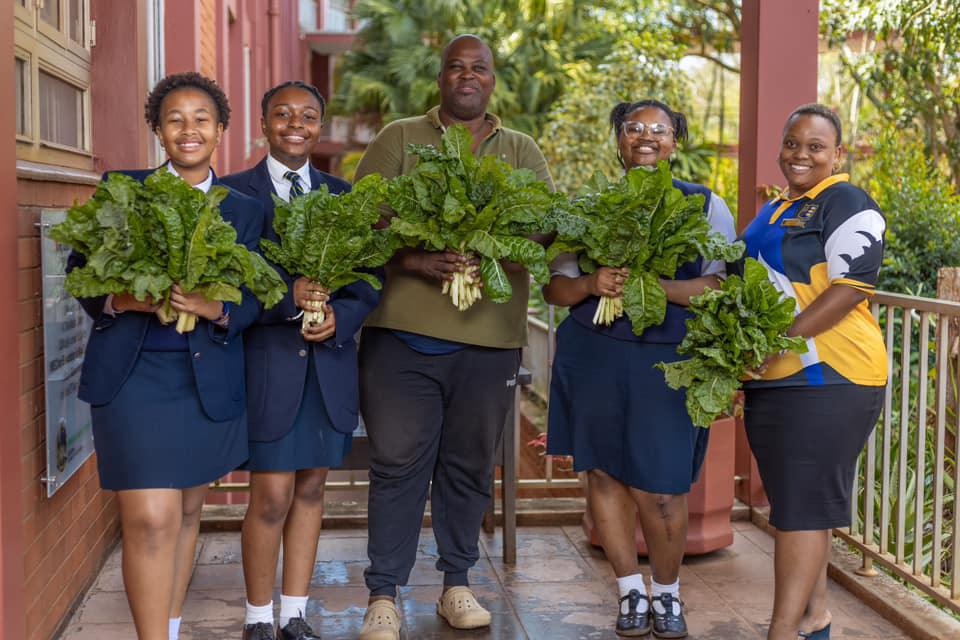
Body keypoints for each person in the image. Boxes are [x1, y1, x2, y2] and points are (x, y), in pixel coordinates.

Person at [351, 34, 554, 640]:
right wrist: (416, 260)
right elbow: (362, 218)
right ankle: (383, 595)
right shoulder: (401, 137)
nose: (467, 76)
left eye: (479, 68)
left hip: (489, 340)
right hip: (402, 339)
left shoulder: (519, 148)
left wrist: (486, 243)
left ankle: (456, 585)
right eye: (455, 67)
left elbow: (544, 226)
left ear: (493, 81)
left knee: (468, 467)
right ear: (440, 78)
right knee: (395, 465)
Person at [68, 72, 264, 640]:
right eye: (174, 118)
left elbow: (256, 298)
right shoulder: (122, 189)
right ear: (157, 128)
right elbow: (82, 277)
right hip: (133, 377)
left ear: (221, 129)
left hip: (207, 382)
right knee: (149, 518)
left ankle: (170, 630)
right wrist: (122, 297)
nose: (188, 129)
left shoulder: (245, 211)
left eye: (201, 118)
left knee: (183, 515)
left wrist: (214, 308)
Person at [544, 99, 737, 638]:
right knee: (602, 473)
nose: (646, 137)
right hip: (595, 353)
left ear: (676, 140)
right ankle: (630, 590)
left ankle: (668, 595)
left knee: (662, 486)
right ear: (619, 139)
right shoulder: (588, 205)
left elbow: (719, 284)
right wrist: (591, 283)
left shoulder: (703, 205)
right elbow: (554, 288)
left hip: (669, 363)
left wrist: (651, 289)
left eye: (660, 129)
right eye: (634, 128)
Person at [221, 80, 379, 640]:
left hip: (328, 368)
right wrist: (291, 300)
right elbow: (229, 287)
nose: (295, 124)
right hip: (268, 368)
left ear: (320, 125)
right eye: (282, 114)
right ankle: (258, 617)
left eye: (307, 115)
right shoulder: (232, 194)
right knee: (271, 494)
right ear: (262, 124)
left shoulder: (342, 195)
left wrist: (345, 316)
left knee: (313, 489)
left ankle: (294, 613)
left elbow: (368, 280)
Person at [740, 103, 886, 640]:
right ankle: (815, 619)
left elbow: (849, 289)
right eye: (793, 143)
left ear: (838, 154)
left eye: (816, 146)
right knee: (799, 506)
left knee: (800, 511)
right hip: (777, 378)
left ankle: (782, 632)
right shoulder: (779, 208)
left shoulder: (846, 201)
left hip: (830, 377)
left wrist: (778, 339)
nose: (801, 154)